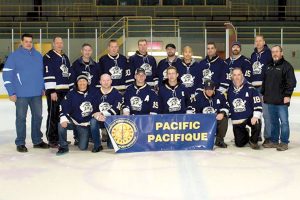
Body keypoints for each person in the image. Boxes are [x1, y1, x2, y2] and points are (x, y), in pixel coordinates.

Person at [2, 33, 49, 152]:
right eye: (26, 41)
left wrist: (43, 86)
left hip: (36, 93)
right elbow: (7, 74)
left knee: (38, 117)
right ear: (22, 42)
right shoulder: (14, 56)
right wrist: (11, 92)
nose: (28, 43)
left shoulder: (38, 55)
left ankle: (37, 140)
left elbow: (42, 73)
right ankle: (20, 142)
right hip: (21, 94)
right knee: (21, 118)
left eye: (30, 41)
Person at [261, 45, 297, 151]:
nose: (275, 53)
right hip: (270, 100)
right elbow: (265, 82)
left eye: (277, 51)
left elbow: (291, 83)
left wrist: (287, 95)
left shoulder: (287, 66)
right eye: (273, 52)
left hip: (282, 100)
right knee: (274, 122)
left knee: (284, 122)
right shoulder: (268, 66)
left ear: (282, 53)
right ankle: (274, 141)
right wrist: (263, 94)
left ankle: (284, 142)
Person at [43, 36, 72, 148]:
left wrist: (70, 90)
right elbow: (47, 73)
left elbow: (69, 74)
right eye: (57, 43)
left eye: (61, 43)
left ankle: (61, 138)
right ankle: (52, 139)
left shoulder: (65, 57)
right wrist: (51, 91)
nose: (59, 45)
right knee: (53, 115)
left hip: (65, 91)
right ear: (53, 44)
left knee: (62, 115)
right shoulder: (48, 56)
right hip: (54, 91)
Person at [56, 74, 95, 155]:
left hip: (84, 124)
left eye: (84, 81)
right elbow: (64, 106)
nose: (82, 83)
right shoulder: (71, 93)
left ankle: (78, 136)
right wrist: (63, 118)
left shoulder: (93, 92)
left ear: (87, 82)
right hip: (73, 121)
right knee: (61, 124)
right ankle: (63, 146)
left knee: (83, 147)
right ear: (77, 83)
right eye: (80, 81)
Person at [227, 68, 262, 149]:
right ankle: (245, 132)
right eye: (234, 75)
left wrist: (256, 116)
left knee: (257, 122)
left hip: (249, 116)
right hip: (237, 119)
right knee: (239, 144)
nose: (237, 77)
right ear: (232, 76)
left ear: (242, 75)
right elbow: (227, 104)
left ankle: (253, 141)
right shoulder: (229, 89)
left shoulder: (250, 88)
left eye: (239, 75)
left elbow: (257, 103)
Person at [191, 80, 229, 148]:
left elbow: (226, 107)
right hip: (203, 120)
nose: (209, 91)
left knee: (224, 118)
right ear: (204, 89)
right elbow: (193, 113)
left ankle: (219, 140)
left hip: (215, 119)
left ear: (214, 88)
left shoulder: (220, 95)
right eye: (207, 89)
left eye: (211, 89)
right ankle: (199, 139)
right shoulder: (197, 98)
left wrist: (222, 113)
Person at [90, 74, 123, 151]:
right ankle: (97, 145)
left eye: (108, 80)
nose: (106, 82)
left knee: (111, 146)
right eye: (104, 80)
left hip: (111, 120)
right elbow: (93, 107)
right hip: (99, 119)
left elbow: (116, 109)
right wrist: (96, 115)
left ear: (111, 81)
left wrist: (102, 114)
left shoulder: (117, 93)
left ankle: (109, 137)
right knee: (93, 121)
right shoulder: (95, 93)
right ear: (100, 82)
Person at [250, 35, 273, 143]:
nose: (258, 43)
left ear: (264, 42)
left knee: (266, 114)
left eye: (260, 41)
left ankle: (268, 138)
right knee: (256, 112)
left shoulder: (269, 54)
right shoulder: (253, 55)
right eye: (256, 41)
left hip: (265, 88)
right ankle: (257, 134)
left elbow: (271, 71)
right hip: (254, 89)